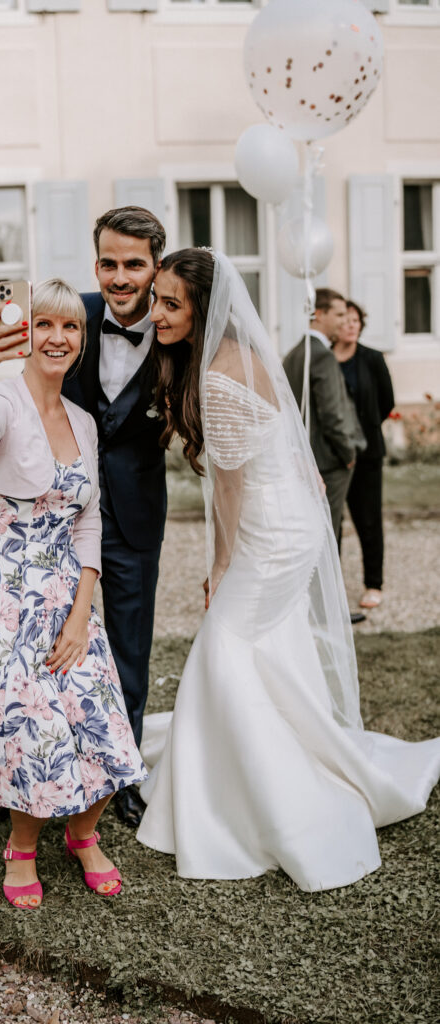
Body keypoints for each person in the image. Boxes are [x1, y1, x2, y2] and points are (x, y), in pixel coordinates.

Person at [136, 248, 440, 892]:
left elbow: (230, 487)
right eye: (156, 299)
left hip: (269, 535)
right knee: (269, 648)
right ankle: (265, 759)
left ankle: (265, 800)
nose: (155, 313)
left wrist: (220, 564)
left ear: (203, 309)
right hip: (293, 524)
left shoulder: (219, 376)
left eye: (170, 304)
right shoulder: (247, 357)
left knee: (223, 648)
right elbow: (290, 458)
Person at [0, 278, 147, 908]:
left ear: (80, 341)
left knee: (108, 727)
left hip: (62, 594)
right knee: (36, 728)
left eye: (70, 327)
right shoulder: (3, 399)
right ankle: (21, 847)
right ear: (26, 334)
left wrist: (81, 614)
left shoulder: (81, 421)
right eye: (45, 324)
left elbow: (90, 521)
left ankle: (81, 834)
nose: (58, 337)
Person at [60, 206, 168, 829]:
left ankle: (121, 777)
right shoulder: (69, 315)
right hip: (55, 512)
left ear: (155, 265)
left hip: (133, 516)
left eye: (133, 263)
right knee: (41, 641)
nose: (119, 276)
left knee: (129, 650)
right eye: (109, 262)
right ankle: (21, 772)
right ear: (95, 262)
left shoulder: (181, 328)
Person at [283, 289, 363, 542]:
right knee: (327, 533)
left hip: (302, 459)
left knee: (307, 532)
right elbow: (332, 415)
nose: (344, 320)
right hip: (327, 460)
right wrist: (348, 454)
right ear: (318, 314)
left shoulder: (294, 353)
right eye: (339, 314)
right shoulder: (322, 356)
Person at [332, 300, 395, 610]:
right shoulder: (324, 359)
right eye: (346, 319)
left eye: (356, 320)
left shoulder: (372, 359)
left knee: (368, 520)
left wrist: (361, 434)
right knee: (330, 522)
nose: (352, 325)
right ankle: (331, 589)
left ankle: (374, 584)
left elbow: (386, 402)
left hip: (367, 454)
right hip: (331, 457)